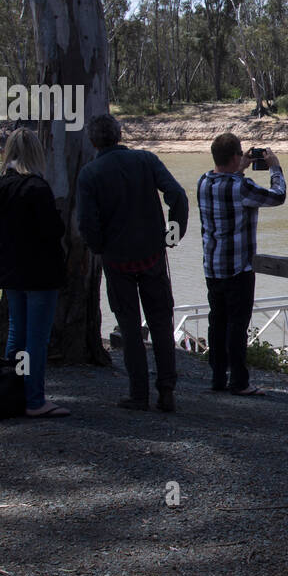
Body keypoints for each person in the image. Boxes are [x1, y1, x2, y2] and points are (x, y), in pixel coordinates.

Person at [76, 114, 188, 413]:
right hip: (153, 256)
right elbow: (176, 194)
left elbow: (86, 222)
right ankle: (167, 391)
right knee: (161, 324)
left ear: (92, 141)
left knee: (129, 328)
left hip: (117, 261)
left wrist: (100, 248)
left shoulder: (89, 174)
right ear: (120, 134)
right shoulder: (146, 161)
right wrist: (173, 233)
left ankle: (138, 394)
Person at [0, 129, 69, 417]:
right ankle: (35, 400)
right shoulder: (36, 187)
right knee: (36, 339)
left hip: (9, 271)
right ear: (36, 153)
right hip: (39, 272)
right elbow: (53, 231)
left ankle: (14, 391)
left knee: (16, 333)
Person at [197, 133, 286, 396]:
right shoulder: (241, 187)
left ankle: (217, 378)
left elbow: (226, 181)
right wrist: (276, 168)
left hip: (212, 267)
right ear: (236, 156)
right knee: (237, 325)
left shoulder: (203, 182)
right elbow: (278, 196)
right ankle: (239, 381)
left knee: (217, 322)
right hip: (238, 268)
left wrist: (240, 167)